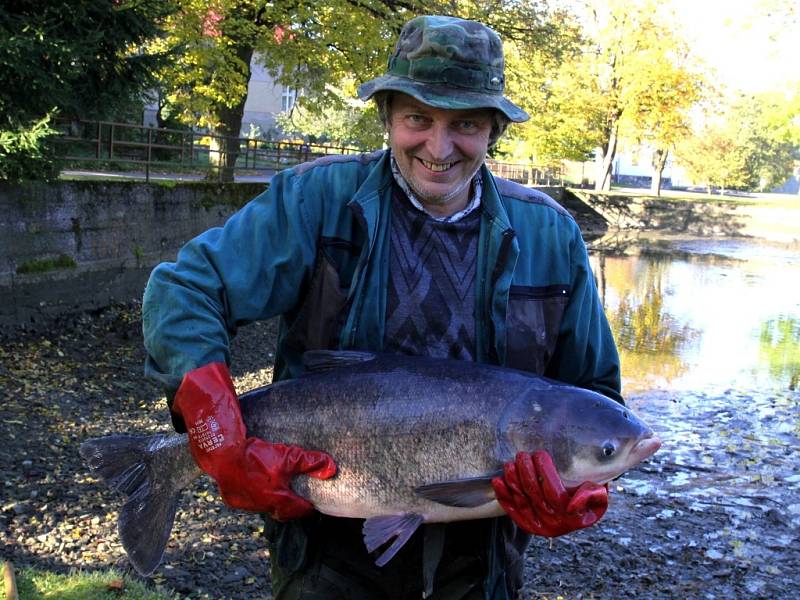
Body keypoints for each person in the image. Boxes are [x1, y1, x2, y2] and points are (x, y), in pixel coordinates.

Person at [142, 14, 622, 600]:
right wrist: (216, 431)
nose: (438, 148)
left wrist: (580, 490)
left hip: (483, 562)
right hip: (323, 548)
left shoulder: (551, 234)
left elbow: (595, 392)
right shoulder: (317, 199)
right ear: (388, 115)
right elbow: (186, 289)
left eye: (465, 124)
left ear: (494, 128)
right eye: (418, 118)